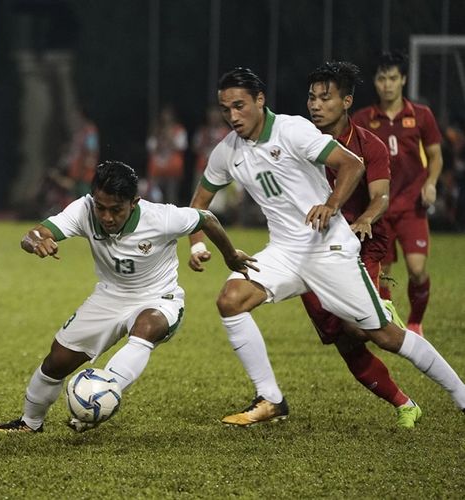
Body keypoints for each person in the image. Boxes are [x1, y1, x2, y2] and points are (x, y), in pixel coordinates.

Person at [188, 67, 465, 426]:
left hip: (328, 248)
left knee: (384, 335)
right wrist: (196, 245)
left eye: (240, 106)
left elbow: (351, 164)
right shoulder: (227, 152)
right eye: (226, 109)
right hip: (285, 253)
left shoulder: (293, 130)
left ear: (260, 100)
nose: (233, 116)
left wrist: (331, 204)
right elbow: (198, 204)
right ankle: (271, 399)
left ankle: (460, 393)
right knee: (230, 300)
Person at [0, 160, 255, 433]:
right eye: (101, 207)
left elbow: (206, 218)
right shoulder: (83, 210)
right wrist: (37, 241)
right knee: (56, 362)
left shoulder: (161, 218)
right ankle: (29, 423)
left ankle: (101, 398)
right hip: (109, 297)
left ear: (134, 202)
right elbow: (33, 234)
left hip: (159, 298)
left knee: (146, 327)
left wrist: (231, 255)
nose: (106, 217)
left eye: (116, 209)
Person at [304, 61, 419, 427]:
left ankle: (382, 305)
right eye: (311, 97)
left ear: (347, 101)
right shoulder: (299, 140)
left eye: (326, 98)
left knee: (359, 327)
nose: (315, 105)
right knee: (344, 339)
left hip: (360, 241)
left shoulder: (369, 145)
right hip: (311, 248)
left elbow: (381, 196)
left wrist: (367, 217)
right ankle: (404, 404)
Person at [352, 51, 444, 336]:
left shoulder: (421, 116)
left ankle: (415, 322)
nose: (387, 84)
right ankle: (388, 324)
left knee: (417, 270)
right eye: (382, 78)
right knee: (382, 273)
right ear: (376, 82)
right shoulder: (363, 119)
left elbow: (436, 157)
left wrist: (431, 183)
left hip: (411, 206)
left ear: (403, 79)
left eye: (393, 78)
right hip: (378, 209)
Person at [146, 104, 188, 204]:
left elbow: (182, 146)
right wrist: (159, 138)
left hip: (172, 168)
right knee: (155, 196)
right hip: (157, 168)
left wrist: (169, 138)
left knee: (171, 196)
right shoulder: (156, 130)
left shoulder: (179, 130)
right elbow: (150, 147)